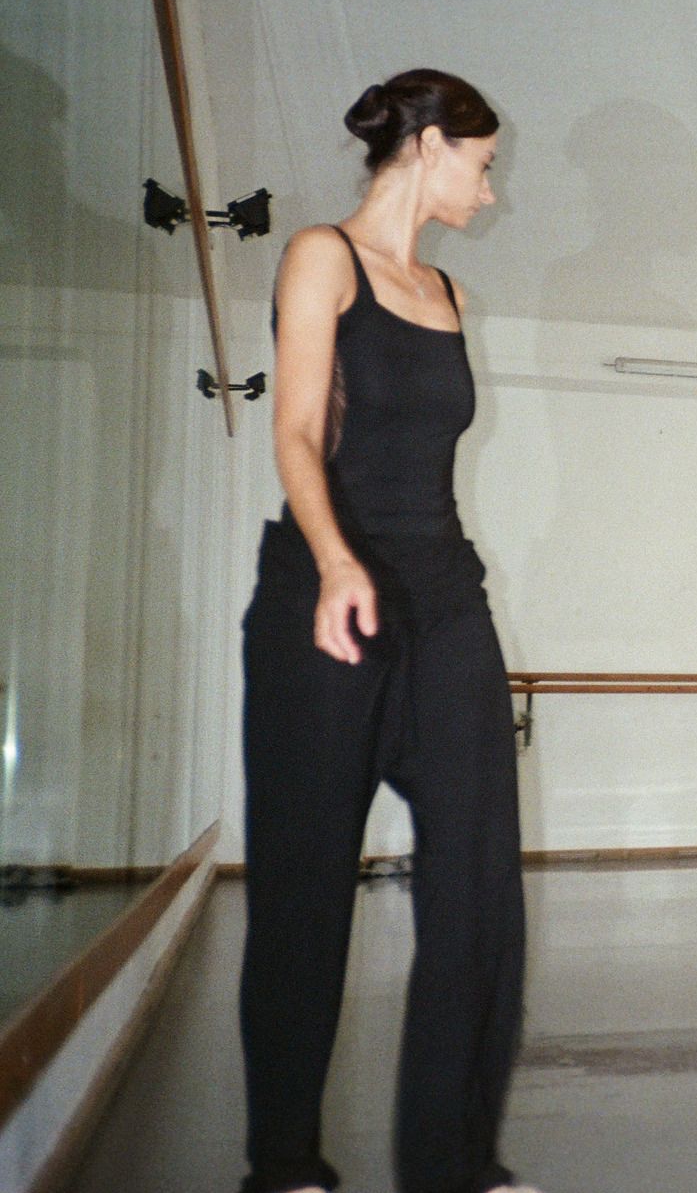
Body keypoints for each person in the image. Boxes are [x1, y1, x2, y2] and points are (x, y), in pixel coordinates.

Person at [239, 70, 535, 1193]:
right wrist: (332, 562)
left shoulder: (450, 291)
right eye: (484, 162)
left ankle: (455, 1162)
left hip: (444, 595)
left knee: (477, 885)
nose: (491, 189)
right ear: (425, 145)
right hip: (324, 591)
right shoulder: (323, 255)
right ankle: (282, 1164)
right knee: (305, 887)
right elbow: (300, 433)